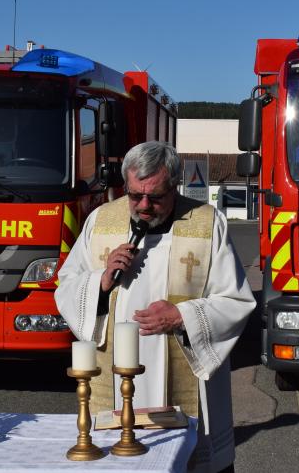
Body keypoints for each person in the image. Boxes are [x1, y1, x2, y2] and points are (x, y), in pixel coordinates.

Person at [54, 141, 255, 473]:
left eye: (156, 197)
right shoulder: (101, 220)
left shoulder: (207, 224)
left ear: (175, 186)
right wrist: (101, 282)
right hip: (115, 379)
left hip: (184, 377)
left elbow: (237, 301)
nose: (143, 206)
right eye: (135, 196)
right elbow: (67, 285)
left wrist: (182, 315)